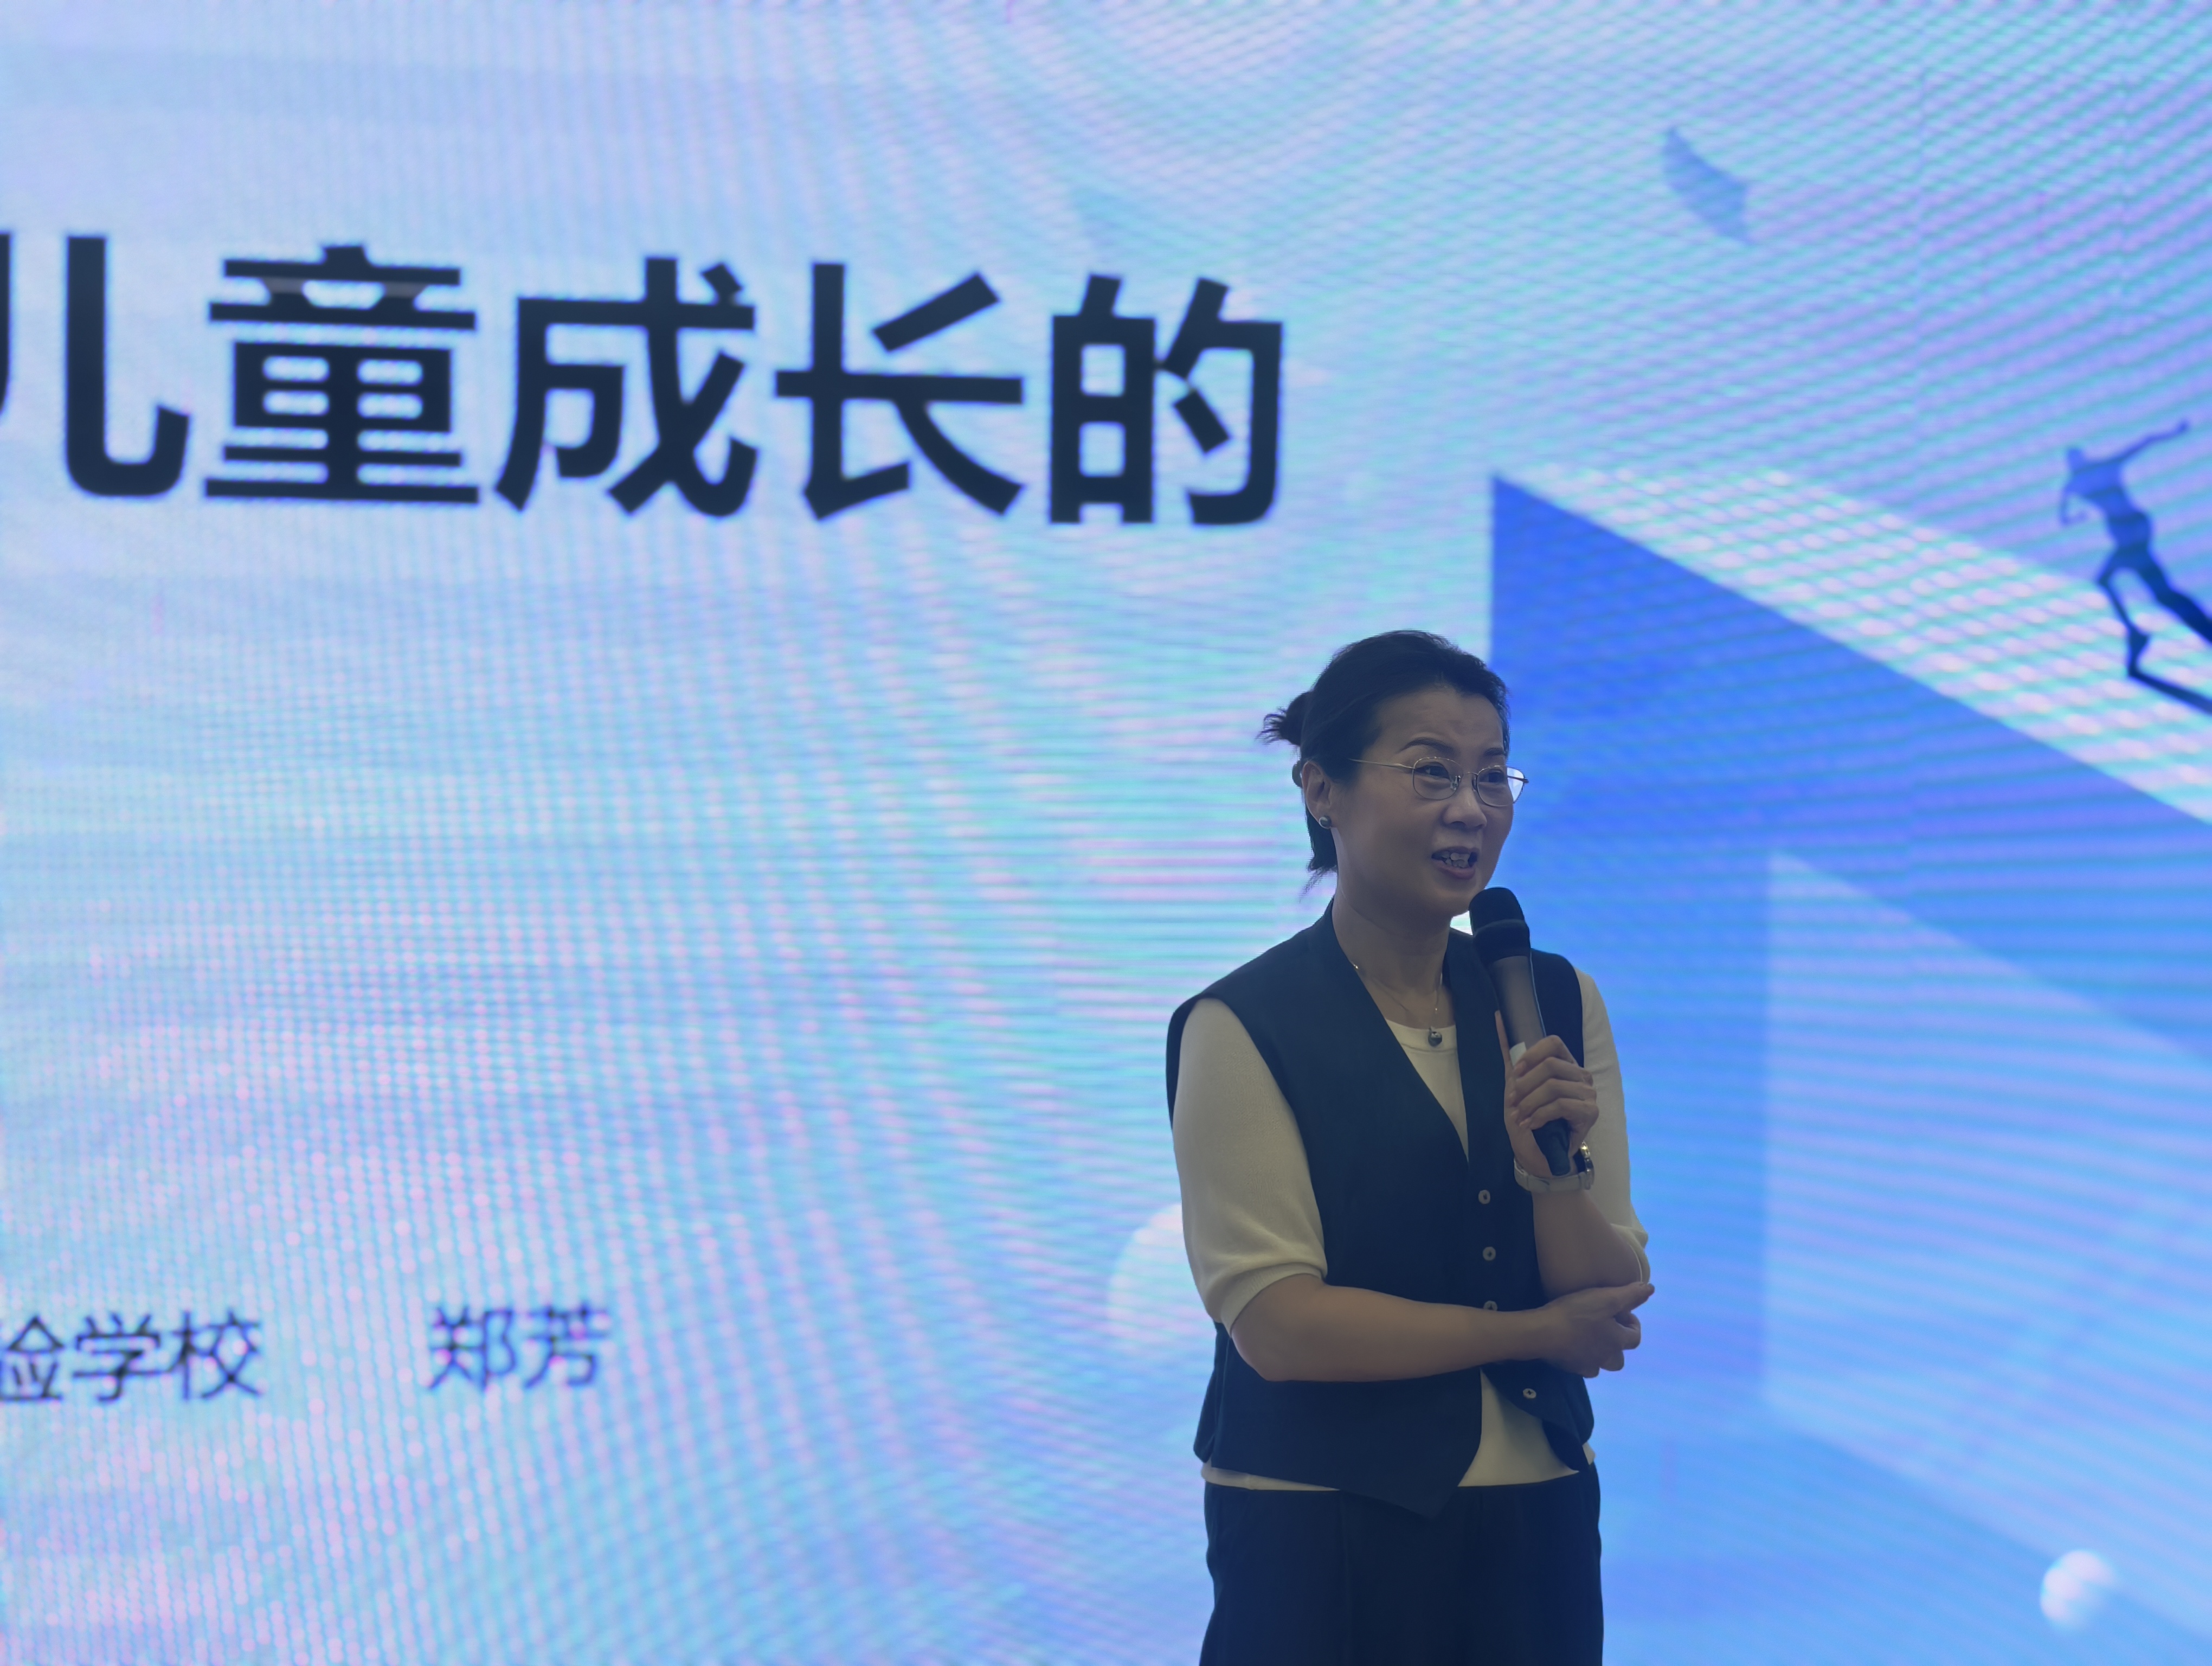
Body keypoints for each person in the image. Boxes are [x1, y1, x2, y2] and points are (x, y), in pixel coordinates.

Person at [1167, 630, 1651, 1665]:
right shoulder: (1243, 1021)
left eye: (1492, 775)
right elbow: (1281, 1326)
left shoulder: (1553, 998)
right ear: (1322, 790)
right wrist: (1528, 1332)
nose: (1472, 809)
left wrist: (1552, 1175)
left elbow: (1607, 1299)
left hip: (1539, 1512)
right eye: (1432, 771)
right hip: (1320, 1521)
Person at [2060, 420, 2212, 714]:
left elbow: (2142, 444)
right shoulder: (2076, 482)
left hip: (2134, 531)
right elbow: (2063, 510)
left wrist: (2171, 432)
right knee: (2155, 590)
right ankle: (2139, 631)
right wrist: (2074, 517)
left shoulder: (2099, 470)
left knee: (2128, 584)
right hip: (2127, 534)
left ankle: (2139, 632)